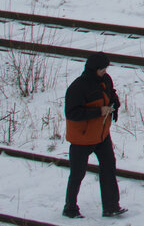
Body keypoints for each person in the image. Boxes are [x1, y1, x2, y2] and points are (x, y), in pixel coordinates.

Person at [62, 52, 123, 218]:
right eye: (101, 69)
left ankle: (111, 206)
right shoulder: (78, 87)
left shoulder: (106, 80)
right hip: (82, 138)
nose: (105, 71)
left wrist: (115, 103)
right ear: (93, 69)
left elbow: (111, 93)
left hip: (101, 135)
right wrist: (98, 111)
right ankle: (70, 208)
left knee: (109, 167)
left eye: (106, 68)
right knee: (77, 173)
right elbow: (72, 113)